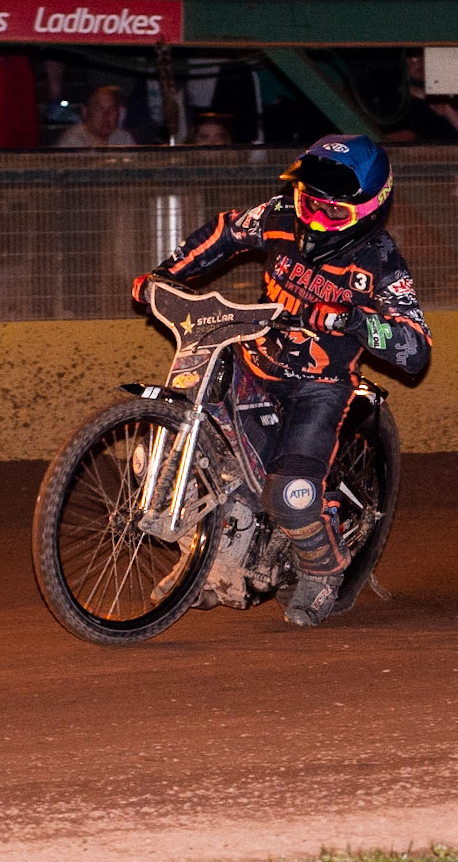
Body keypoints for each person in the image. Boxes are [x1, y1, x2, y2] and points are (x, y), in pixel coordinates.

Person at [131, 135, 431, 626]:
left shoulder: (379, 261)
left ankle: (323, 571)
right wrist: (164, 275)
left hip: (321, 385)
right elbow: (226, 231)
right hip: (255, 359)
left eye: (331, 212)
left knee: (291, 492)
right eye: (308, 202)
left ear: (369, 208)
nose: (314, 219)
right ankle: (205, 558)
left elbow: (416, 347)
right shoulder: (278, 216)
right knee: (178, 449)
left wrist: (354, 320)